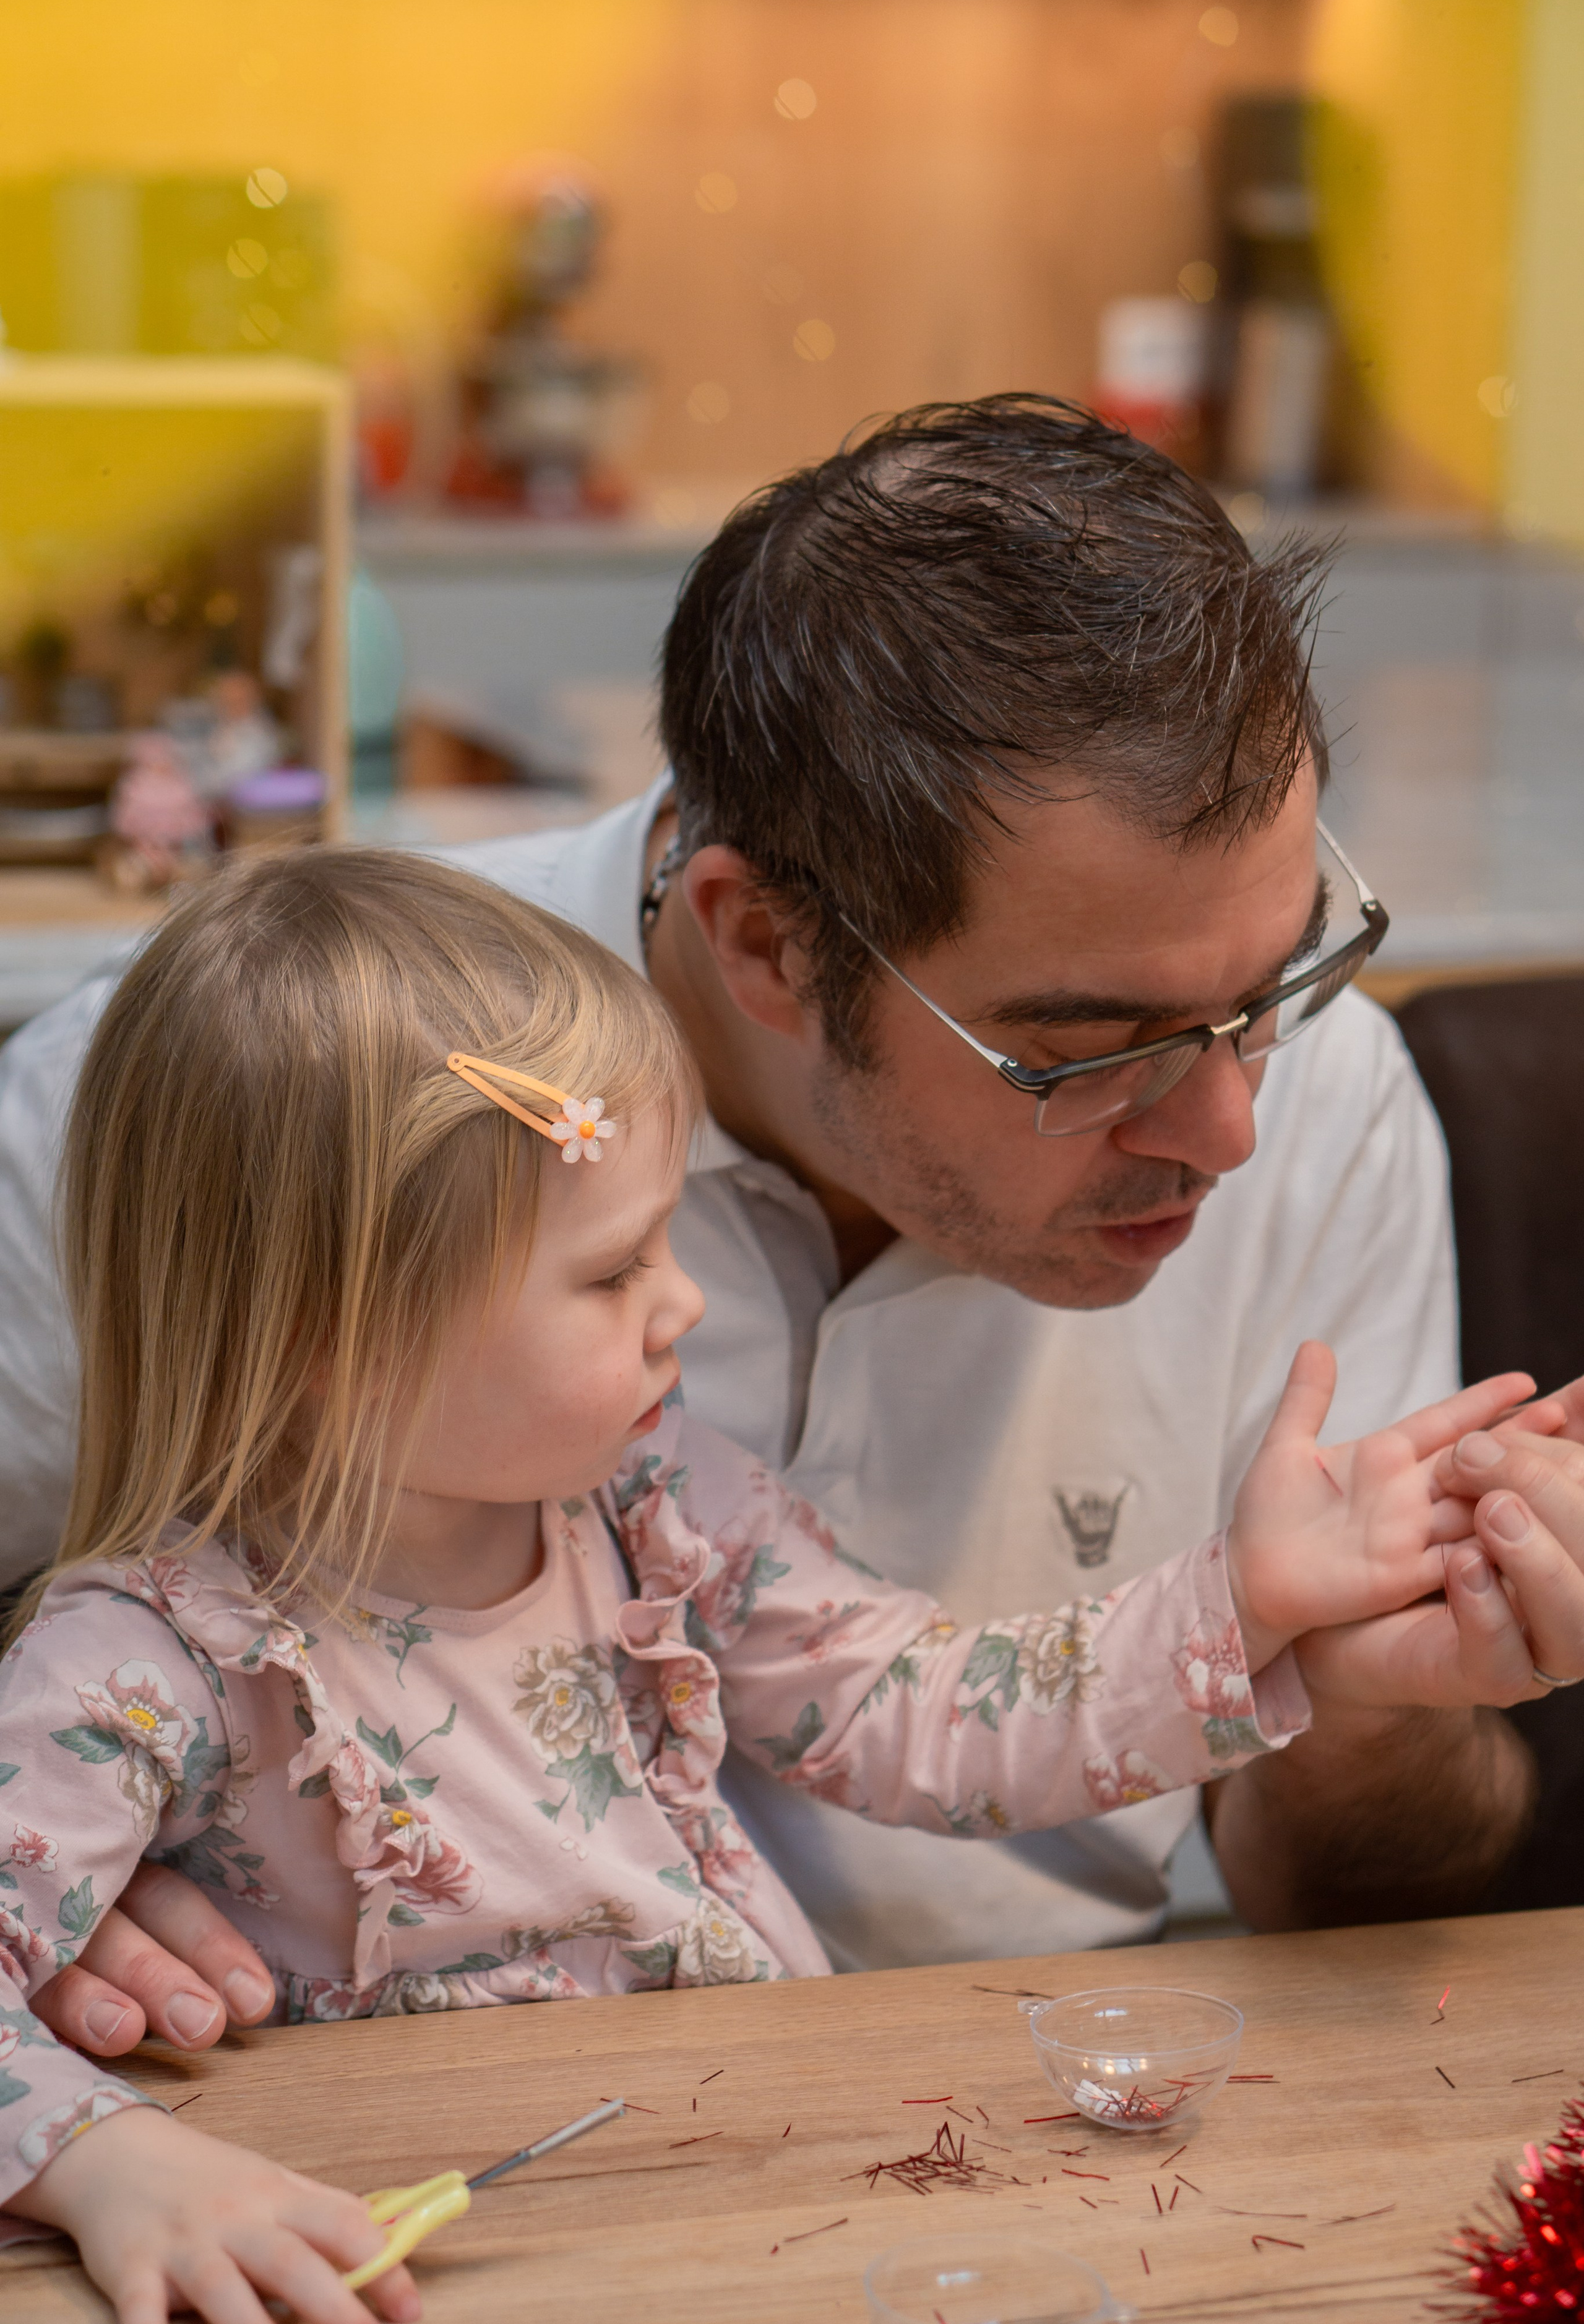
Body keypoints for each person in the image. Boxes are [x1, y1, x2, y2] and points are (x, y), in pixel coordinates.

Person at [0, 397, 1573, 2064]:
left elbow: (1086, 1778)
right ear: (758, 940)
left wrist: (1353, 1681)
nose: (1233, 1126)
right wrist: (83, 1854)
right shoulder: (237, 1096)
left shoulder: (1331, 1107)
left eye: (1270, 994)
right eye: (1091, 1050)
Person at [1, 847, 1546, 2324]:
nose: (681, 1303)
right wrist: (118, 2168)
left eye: (668, 1239)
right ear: (328, 1339)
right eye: (612, 1276)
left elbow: (924, 1712)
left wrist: (1248, 1595)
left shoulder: (652, 1500)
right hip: (419, 2253)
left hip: (747, 2193)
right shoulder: (142, 1664)